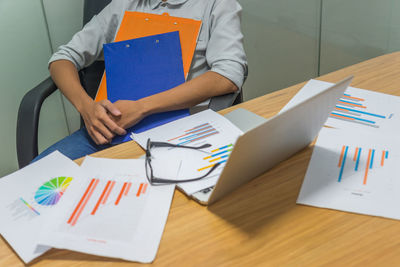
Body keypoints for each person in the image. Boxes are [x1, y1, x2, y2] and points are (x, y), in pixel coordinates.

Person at [33, 0, 248, 162]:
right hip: (110, 131)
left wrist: (141, 108)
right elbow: (62, 59)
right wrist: (87, 109)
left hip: (181, 134)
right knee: (31, 185)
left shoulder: (217, 4)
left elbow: (228, 75)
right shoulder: (124, 4)